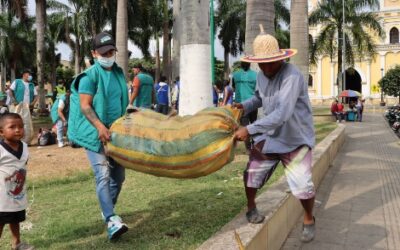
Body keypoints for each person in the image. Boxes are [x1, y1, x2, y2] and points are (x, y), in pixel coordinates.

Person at [233, 29, 316, 242]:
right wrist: (243, 105)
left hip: (295, 140)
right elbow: (259, 98)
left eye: (271, 63)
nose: (267, 67)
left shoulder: (292, 76)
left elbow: (282, 114)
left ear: (281, 58)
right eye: (262, 64)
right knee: (251, 173)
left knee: (303, 185)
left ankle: (308, 217)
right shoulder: (261, 75)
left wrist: (249, 129)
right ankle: (251, 207)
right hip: (271, 137)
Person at [68, 32, 129, 240]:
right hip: (94, 133)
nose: (108, 55)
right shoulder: (89, 76)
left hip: (115, 133)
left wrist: (130, 112)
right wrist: (100, 127)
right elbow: (85, 106)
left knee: (118, 177)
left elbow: (118, 101)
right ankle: (112, 219)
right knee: (102, 173)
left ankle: (107, 209)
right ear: (94, 53)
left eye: (111, 51)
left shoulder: (119, 73)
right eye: (104, 52)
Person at [0, 113, 34, 250]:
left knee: (16, 218)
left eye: (21, 126)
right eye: (12, 127)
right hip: (2, 196)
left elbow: (23, 163)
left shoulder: (24, 147)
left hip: (17, 192)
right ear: (1, 132)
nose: (18, 130)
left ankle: (17, 243)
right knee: (1, 221)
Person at [233, 61, 258, 149]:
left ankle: (248, 148)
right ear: (250, 64)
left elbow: (233, 87)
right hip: (253, 103)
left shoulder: (235, 75)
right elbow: (257, 89)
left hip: (241, 105)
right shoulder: (255, 75)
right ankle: (255, 145)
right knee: (254, 125)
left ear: (241, 65)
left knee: (245, 127)